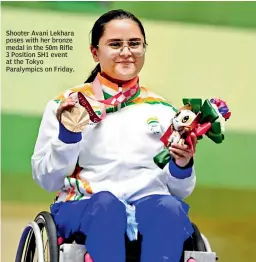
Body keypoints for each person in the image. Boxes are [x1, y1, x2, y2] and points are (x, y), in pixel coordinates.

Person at [32, 9, 197, 262]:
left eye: (134, 44)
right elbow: (47, 180)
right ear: (95, 52)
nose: (126, 52)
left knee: (170, 209)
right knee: (107, 206)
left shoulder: (164, 111)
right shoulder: (67, 105)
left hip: (149, 206)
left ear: (144, 49)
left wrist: (182, 164)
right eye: (115, 44)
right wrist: (67, 137)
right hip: (85, 205)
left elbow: (179, 190)